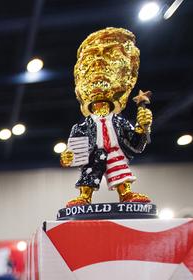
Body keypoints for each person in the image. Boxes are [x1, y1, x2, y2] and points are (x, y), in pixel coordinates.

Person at [59, 27, 152, 207]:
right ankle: (85, 195)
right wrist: (69, 155)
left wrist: (143, 127)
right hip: (95, 154)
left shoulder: (119, 121)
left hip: (115, 152)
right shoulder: (83, 126)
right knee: (89, 172)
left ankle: (125, 192)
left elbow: (135, 144)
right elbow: (75, 147)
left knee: (120, 169)